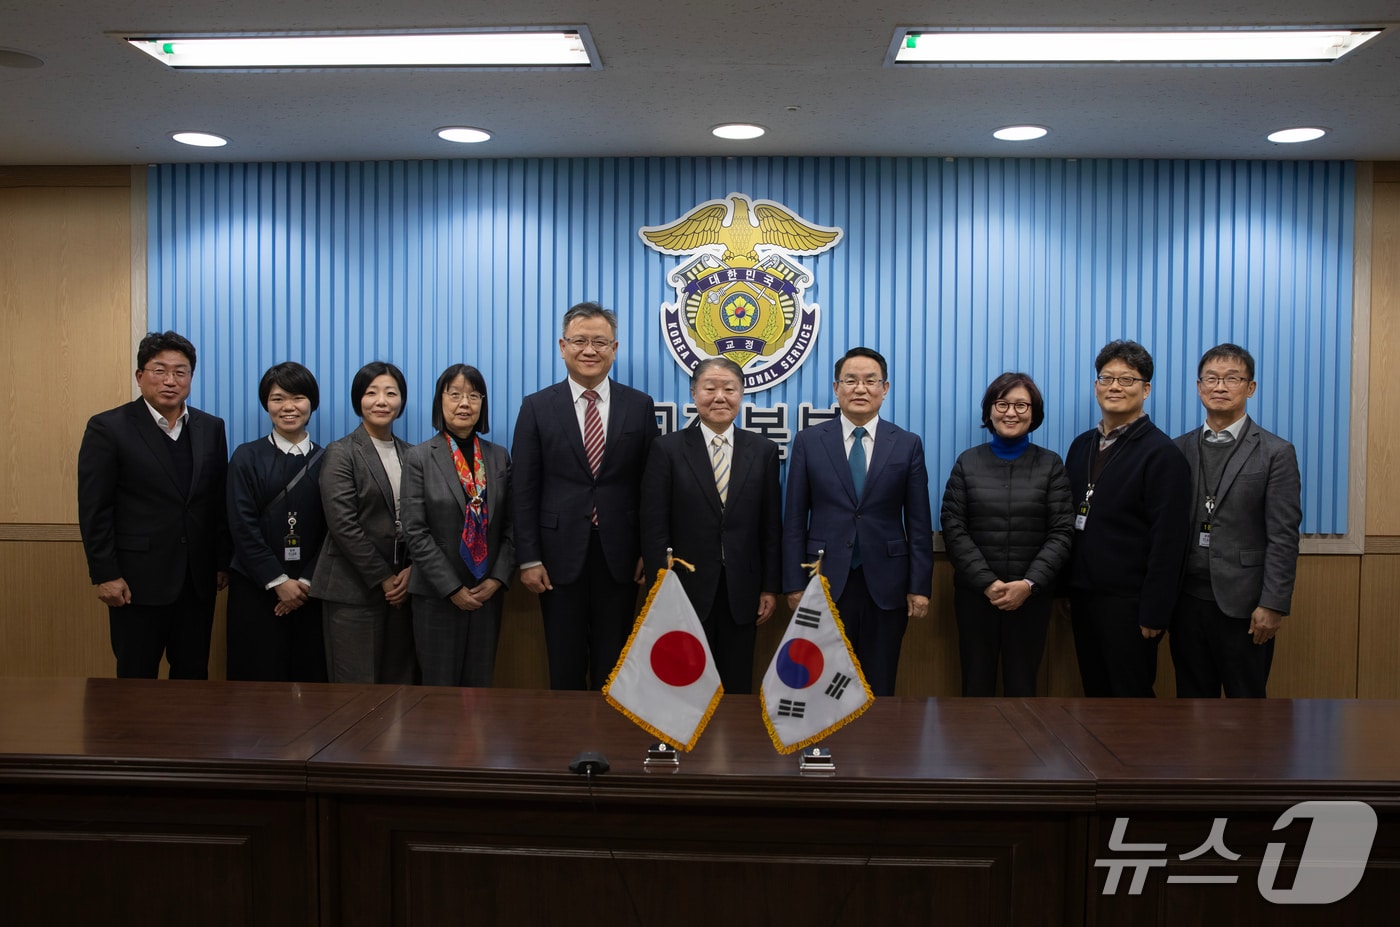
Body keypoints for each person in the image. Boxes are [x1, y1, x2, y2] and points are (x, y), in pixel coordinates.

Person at [512, 301, 659, 690]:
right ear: (563, 346)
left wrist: (649, 551)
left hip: (621, 556)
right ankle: (567, 730)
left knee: (616, 664)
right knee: (565, 663)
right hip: (556, 557)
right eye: (579, 341)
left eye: (599, 342)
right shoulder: (536, 407)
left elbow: (651, 487)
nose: (589, 350)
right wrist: (529, 558)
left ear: (614, 348)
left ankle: (610, 728)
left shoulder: (639, 406)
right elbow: (523, 489)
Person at [77, 330, 230, 679]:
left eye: (180, 371)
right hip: (136, 581)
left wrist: (221, 560)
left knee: (193, 674)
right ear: (140, 376)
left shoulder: (210, 427)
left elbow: (216, 500)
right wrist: (105, 574)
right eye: (159, 370)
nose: (170, 380)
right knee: (136, 676)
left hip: (197, 580)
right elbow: (95, 508)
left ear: (190, 377)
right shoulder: (108, 427)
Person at [782, 346, 933, 696]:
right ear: (837, 388)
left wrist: (920, 586)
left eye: (870, 381)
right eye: (850, 381)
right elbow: (794, 520)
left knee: (879, 681)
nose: (860, 388)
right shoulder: (809, 442)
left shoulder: (907, 444)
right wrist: (793, 583)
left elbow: (919, 523)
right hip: (824, 579)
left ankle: (878, 735)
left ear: (885, 388)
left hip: (888, 582)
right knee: (823, 683)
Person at [640, 357, 782, 694]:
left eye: (729, 389)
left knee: (736, 683)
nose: (720, 397)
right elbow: (654, 524)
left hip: (742, 589)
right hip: (684, 588)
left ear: (741, 394)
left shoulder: (762, 450)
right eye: (710, 388)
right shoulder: (667, 449)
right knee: (684, 686)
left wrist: (769, 587)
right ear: (694, 393)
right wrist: (661, 585)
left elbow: (770, 526)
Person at [1171, 344, 1302, 698]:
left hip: (1246, 606)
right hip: (1186, 603)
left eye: (1232, 378)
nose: (1220, 387)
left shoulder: (1275, 453)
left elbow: (1284, 536)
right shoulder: (1178, 449)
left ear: (1250, 387)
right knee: (1191, 706)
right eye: (1211, 378)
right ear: (1199, 386)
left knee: (1246, 709)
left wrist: (1272, 604)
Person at [1065, 340, 1191, 697]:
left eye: (1127, 379)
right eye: (1107, 378)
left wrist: (1155, 610)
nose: (1115, 387)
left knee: (1130, 698)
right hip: (1083, 596)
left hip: (1131, 603)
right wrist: (1065, 589)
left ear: (1145, 389)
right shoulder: (1081, 446)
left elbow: (1169, 541)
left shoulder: (1162, 454)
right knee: (1095, 693)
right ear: (1096, 386)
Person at [941, 373, 1074, 696]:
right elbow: (953, 527)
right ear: (989, 411)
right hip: (976, 596)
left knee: (1023, 688)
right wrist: (987, 583)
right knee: (975, 686)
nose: (1011, 413)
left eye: (1021, 405)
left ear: (1034, 413)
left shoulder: (1050, 464)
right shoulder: (967, 462)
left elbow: (1062, 531)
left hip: (1031, 598)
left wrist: (1028, 584)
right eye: (1002, 404)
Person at [401, 365, 516, 687]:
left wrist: (497, 579)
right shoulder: (419, 457)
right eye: (455, 395)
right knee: (439, 690)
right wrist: (452, 588)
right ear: (441, 401)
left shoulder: (498, 457)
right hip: (436, 595)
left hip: (486, 592)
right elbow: (415, 530)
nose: (465, 403)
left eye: (474, 396)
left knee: (479, 688)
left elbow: (512, 525)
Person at [310, 361, 417, 684]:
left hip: (404, 587)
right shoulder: (341, 452)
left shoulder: (412, 454)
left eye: (391, 393)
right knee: (356, 689)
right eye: (372, 393)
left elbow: (422, 520)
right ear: (359, 399)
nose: (381, 401)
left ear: (401, 401)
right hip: (353, 589)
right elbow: (343, 524)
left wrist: (412, 570)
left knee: (399, 687)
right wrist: (383, 578)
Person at [224, 362, 328, 682]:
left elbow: (335, 529)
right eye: (277, 398)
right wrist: (278, 581)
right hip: (256, 588)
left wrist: (305, 582)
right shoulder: (246, 456)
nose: (288, 407)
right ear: (266, 404)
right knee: (257, 682)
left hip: (312, 592)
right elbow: (241, 525)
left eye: (297, 397)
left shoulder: (329, 459)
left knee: (310, 682)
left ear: (312, 402)